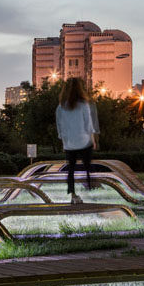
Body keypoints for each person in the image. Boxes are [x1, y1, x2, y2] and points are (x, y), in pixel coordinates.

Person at [55, 77, 99, 205]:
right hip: (84, 141)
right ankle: (91, 186)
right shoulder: (83, 105)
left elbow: (60, 126)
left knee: (71, 169)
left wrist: (64, 142)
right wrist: (92, 140)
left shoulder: (61, 107)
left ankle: (73, 194)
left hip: (70, 143)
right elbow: (88, 124)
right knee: (88, 165)